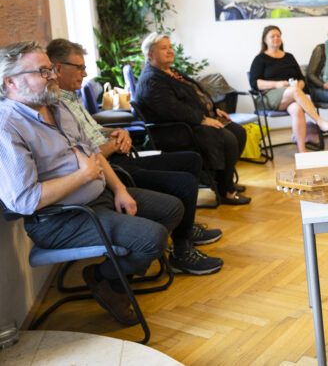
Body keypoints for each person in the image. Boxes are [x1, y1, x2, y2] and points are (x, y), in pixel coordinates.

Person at [0, 41, 183, 326]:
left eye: (50, 70)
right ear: (10, 82)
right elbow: (24, 201)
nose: (52, 77)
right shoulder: (7, 127)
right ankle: (102, 278)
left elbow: (93, 151)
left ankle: (114, 279)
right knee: (152, 238)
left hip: (99, 197)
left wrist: (120, 189)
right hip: (60, 220)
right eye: (42, 72)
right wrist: (83, 176)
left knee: (172, 209)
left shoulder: (57, 104)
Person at [46, 39, 223, 275]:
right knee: (185, 182)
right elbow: (87, 155)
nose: (85, 73)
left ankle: (186, 231)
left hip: (116, 158)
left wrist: (117, 132)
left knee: (192, 159)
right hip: (113, 169)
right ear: (58, 68)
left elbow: (92, 132)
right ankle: (182, 250)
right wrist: (115, 144)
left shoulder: (71, 98)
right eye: (79, 67)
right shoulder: (56, 106)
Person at [136, 33, 250, 205]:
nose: (170, 51)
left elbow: (196, 94)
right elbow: (173, 110)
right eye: (163, 48)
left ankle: (222, 181)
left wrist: (215, 110)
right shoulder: (152, 80)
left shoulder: (171, 72)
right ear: (150, 55)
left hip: (191, 122)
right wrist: (202, 119)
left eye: (170, 47)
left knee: (238, 131)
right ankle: (226, 191)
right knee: (228, 139)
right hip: (175, 130)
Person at [248, 25, 328, 152]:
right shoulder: (260, 59)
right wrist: (277, 85)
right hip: (268, 97)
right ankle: (320, 121)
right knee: (294, 91)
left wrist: (299, 85)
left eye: (278, 35)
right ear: (265, 40)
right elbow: (255, 83)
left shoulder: (289, 57)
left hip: (290, 95)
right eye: (272, 36)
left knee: (297, 108)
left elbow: (301, 79)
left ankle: (302, 151)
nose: (276, 38)